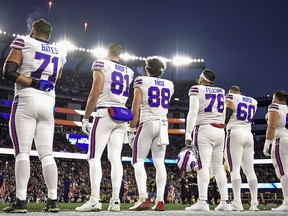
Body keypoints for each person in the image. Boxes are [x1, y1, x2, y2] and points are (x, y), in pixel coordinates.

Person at [2, 18, 66, 213]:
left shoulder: (24, 42)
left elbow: (9, 72)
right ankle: (53, 201)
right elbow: (58, 76)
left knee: (22, 151)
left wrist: (34, 82)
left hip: (27, 99)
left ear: (33, 30)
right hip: (48, 103)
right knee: (46, 154)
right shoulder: (61, 53)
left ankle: (21, 201)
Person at [75, 43, 134, 212]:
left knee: (93, 156)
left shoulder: (101, 64)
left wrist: (86, 118)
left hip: (104, 113)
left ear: (107, 52)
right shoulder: (129, 72)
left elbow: (94, 93)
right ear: (120, 54)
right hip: (121, 116)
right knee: (115, 158)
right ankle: (115, 201)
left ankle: (94, 200)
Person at [128, 56, 174, 211]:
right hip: (163, 124)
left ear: (147, 68)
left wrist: (131, 129)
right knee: (159, 162)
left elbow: (135, 110)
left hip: (147, 123)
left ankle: (143, 198)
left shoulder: (141, 81)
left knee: (138, 161)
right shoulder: (169, 84)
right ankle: (160, 200)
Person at [184, 69, 231, 211]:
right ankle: (225, 202)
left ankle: (203, 201)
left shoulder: (196, 89)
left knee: (203, 166)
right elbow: (223, 113)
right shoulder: (221, 91)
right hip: (219, 130)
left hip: (204, 129)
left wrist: (188, 133)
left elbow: (192, 113)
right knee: (218, 167)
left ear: (202, 79)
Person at [224, 85, 259, 211]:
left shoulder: (231, 97)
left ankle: (237, 201)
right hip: (248, 134)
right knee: (250, 170)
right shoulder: (253, 101)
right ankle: (254, 203)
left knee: (234, 170)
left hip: (235, 132)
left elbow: (229, 109)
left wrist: (223, 124)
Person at [263, 90, 288, 212]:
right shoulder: (286, 108)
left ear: (275, 97)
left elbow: (272, 126)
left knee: (283, 172)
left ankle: (287, 202)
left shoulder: (274, 106)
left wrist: (267, 142)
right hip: (286, 138)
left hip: (280, 140)